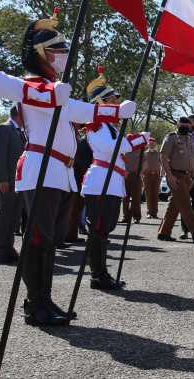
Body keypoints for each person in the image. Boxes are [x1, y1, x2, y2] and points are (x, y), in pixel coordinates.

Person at [0, 11, 136, 325]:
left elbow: (76, 109)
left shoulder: (55, 89)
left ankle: (45, 299)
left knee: (51, 240)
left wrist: (112, 112)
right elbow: (0, 81)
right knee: (38, 238)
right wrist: (102, 110)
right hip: (40, 167)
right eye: (58, 51)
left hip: (60, 171)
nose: (64, 56)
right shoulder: (32, 86)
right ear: (41, 54)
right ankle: (35, 304)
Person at [80, 68, 149, 290]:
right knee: (98, 229)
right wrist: (135, 142)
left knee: (105, 228)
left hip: (111, 180)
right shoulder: (97, 124)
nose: (116, 104)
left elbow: (116, 146)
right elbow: (108, 147)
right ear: (101, 103)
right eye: (112, 100)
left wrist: (133, 139)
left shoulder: (109, 126)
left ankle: (101, 272)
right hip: (102, 179)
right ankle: (98, 274)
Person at [157, 117, 194, 243]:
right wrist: (169, 176)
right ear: (177, 125)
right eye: (182, 126)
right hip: (176, 175)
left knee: (174, 205)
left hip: (187, 176)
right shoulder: (171, 138)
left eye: (187, 126)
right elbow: (163, 156)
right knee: (185, 203)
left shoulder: (191, 139)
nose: (185, 128)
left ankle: (164, 232)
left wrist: (193, 177)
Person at [0, 105, 26, 263]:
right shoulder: (4, 128)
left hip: (16, 182)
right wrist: (3, 179)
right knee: (3, 217)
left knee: (13, 217)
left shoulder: (20, 132)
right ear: (20, 114)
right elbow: (0, 155)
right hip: (6, 182)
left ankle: (8, 247)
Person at [120, 144, 143, 224]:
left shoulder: (139, 150)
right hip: (125, 175)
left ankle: (136, 217)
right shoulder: (123, 150)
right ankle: (126, 216)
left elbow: (144, 162)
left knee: (136, 197)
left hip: (135, 175)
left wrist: (139, 172)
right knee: (125, 197)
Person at [142, 137, 162, 219]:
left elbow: (163, 164)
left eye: (153, 142)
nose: (151, 144)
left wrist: (162, 174)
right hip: (147, 175)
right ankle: (149, 212)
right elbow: (142, 165)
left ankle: (155, 213)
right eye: (150, 142)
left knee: (155, 195)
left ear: (155, 144)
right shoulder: (145, 154)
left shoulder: (158, 154)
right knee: (149, 195)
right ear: (148, 144)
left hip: (156, 175)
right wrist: (142, 175)